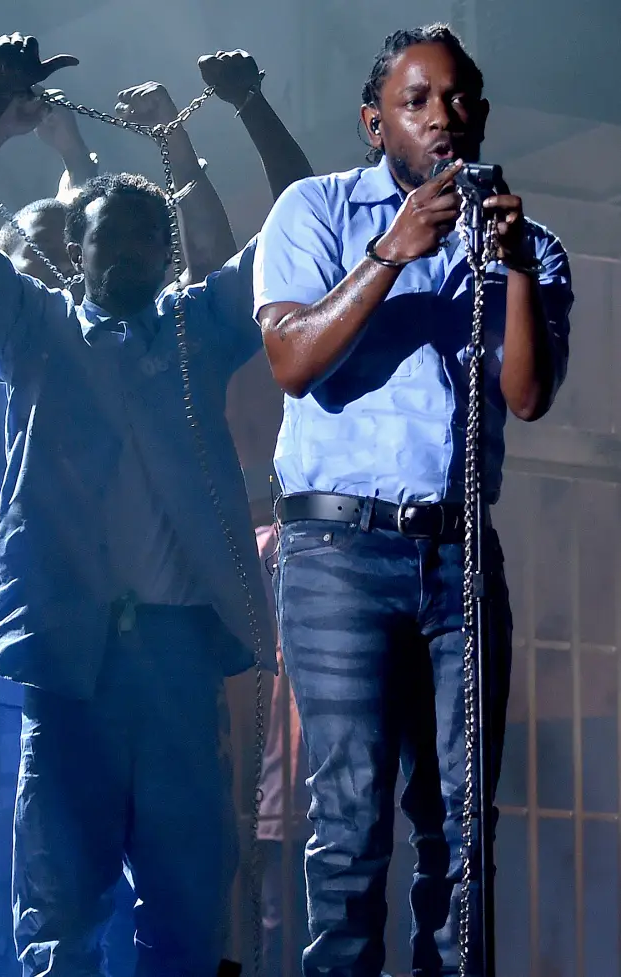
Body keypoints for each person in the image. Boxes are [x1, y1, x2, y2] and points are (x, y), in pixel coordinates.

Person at [0, 32, 277, 977]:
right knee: (59, 915)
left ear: (168, 252)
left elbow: (299, 227)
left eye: (150, 237)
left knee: (191, 913)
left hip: (179, 660)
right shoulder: (32, 326)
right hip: (72, 665)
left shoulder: (197, 331)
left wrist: (250, 108)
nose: (132, 251)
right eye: (112, 235)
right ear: (76, 249)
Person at [254, 24, 573, 977]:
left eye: (460, 98)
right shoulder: (314, 211)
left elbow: (528, 395)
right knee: (350, 818)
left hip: (459, 559)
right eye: (418, 101)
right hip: (339, 558)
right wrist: (392, 251)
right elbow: (292, 359)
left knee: (463, 826)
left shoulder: (531, 247)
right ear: (375, 122)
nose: (444, 116)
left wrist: (514, 266)